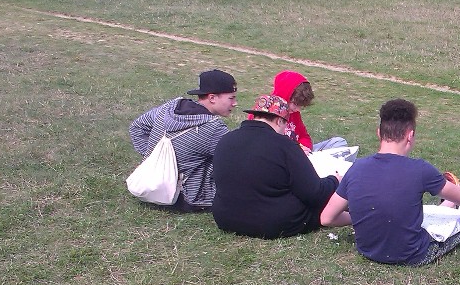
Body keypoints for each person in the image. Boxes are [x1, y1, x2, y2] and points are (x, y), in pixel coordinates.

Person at [320, 99, 460, 266]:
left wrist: (364, 217)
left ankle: (447, 204)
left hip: (367, 250)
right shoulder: (420, 169)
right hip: (412, 255)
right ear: (410, 135)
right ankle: (455, 216)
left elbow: (326, 218)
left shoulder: (356, 168)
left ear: (379, 133)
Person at [212, 94, 351, 239]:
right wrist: (335, 180)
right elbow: (314, 193)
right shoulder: (284, 145)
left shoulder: (226, 140)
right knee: (327, 207)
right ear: (279, 121)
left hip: (225, 218)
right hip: (273, 222)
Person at [129, 69, 237, 211]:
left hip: (151, 184)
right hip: (188, 198)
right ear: (212, 98)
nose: (235, 103)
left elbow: (137, 126)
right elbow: (236, 162)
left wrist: (151, 156)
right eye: (231, 98)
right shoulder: (213, 127)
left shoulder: (169, 108)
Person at [270, 70, 348, 154]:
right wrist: (295, 151)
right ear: (283, 96)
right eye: (296, 104)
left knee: (339, 142)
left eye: (301, 106)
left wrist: (304, 148)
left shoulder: (294, 113)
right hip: (285, 157)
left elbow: (304, 137)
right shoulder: (266, 116)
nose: (298, 109)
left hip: (302, 154)